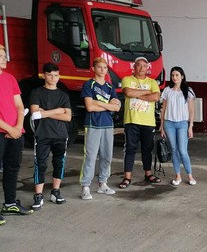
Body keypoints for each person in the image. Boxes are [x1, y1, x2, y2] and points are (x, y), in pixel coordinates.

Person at [30, 62, 72, 209]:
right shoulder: (36, 92)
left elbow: (68, 117)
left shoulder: (63, 95)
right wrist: (59, 110)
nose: (53, 78)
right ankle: (38, 195)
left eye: (56, 75)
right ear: (44, 75)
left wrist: (45, 113)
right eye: (50, 75)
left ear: (59, 76)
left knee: (59, 163)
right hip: (42, 134)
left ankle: (56, 191)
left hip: (60, 134)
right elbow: (35, 113)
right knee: (40, 164)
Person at [79, 57, 121, 200]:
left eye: (105, 67)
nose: (102, 70)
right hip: (93, 124)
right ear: (93, 68)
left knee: (107, 156)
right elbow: (89, 107)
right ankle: (85, 186)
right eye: (99, 67)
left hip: (108, 124)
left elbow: (117, 107)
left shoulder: (110, 87)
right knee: (90, 156)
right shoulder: (89, 85)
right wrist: (108, 105)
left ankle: (103, 183)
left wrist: (98, 103)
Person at [0, 45, 33, 223]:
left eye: (4, 55)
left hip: (15, 132)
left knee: (12, 168)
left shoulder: (10, 78)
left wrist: (18, 126)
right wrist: (10, 129)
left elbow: (19, 105)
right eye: (0, 56)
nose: (4, 59)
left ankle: (10, 203)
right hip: (4, 132)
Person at [119, 56, 161, 188]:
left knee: (147, 149)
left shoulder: (153, 82)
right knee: (130, 149)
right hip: (132, 120)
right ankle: (127, 177)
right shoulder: (127, 79)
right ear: (134, 67)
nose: (142, 68)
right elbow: (127, 92)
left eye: (144, 65)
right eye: (139, 65)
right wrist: (147, 93)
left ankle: (148, 174)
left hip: (148, 122)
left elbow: (156, 96)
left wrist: (137, 94)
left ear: (147, 68)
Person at [160, 66, 196, 187]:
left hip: (182, 123)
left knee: (182, 150)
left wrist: (190, 126)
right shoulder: (167, 90)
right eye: (172, 75)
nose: (174, 77)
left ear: (182, 76)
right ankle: (178, 175)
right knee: (174, 149)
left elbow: (191, 110)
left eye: (177, 75)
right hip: (169, 123)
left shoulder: (188, 91)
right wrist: (161, 126)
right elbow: (163, 109)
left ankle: (190, 175)